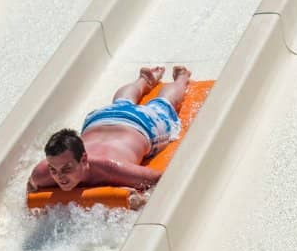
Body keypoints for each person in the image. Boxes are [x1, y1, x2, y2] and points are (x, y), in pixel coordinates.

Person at [28, 66, 191, 196]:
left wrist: (140, 198)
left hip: (141, 123)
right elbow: (31, 186)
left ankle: (181, 78)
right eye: (53, 170)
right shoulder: (42, 173)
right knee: (121, 103)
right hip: (99, 119)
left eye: (67, 168)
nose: (59, 177)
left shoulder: (112, 168)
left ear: (84, 159)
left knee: (163, 105)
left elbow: (160, 181)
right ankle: (144, 80)